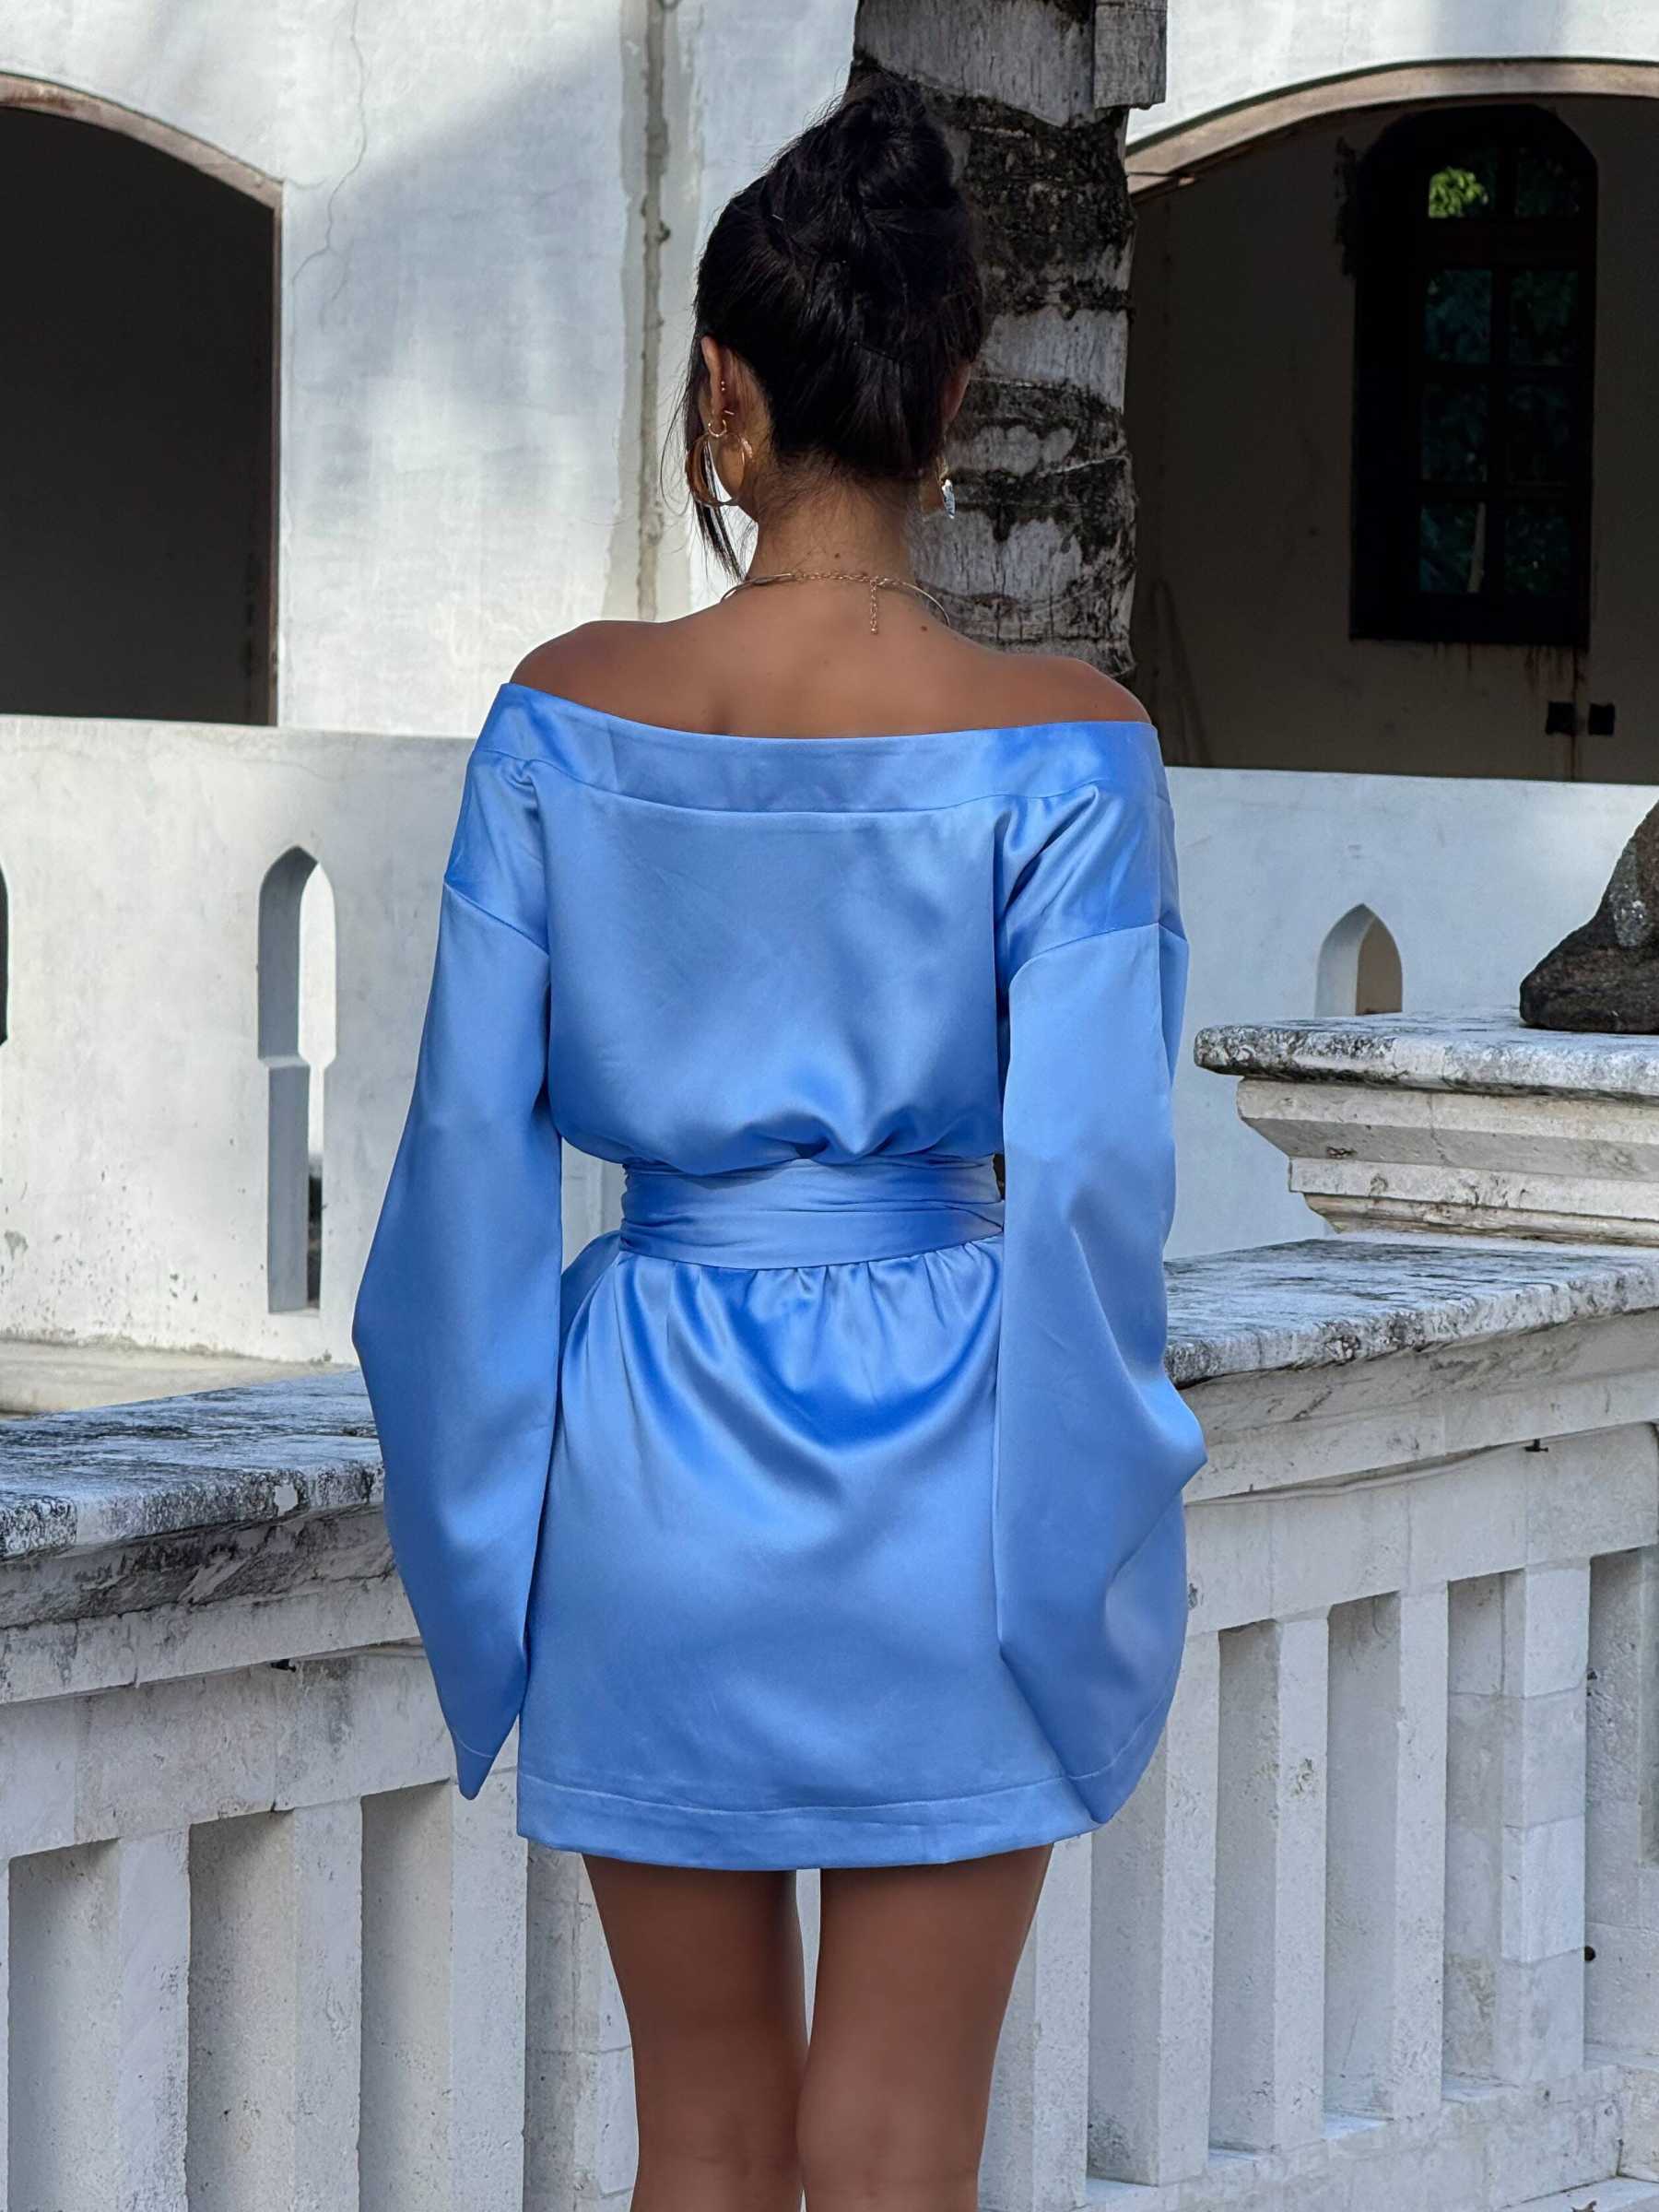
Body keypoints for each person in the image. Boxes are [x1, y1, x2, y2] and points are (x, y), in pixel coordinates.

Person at [351, 63, 1208, 2212]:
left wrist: (498, 1536)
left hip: (652, 1460)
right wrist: (1090, 1544)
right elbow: (1091, 1209)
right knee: (897, 2145)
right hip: (952, 1470)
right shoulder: (1074, 747)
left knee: (704, 2134)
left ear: (723, 392)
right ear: (954, 396)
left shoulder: (560, 716)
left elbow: (458, 1185)